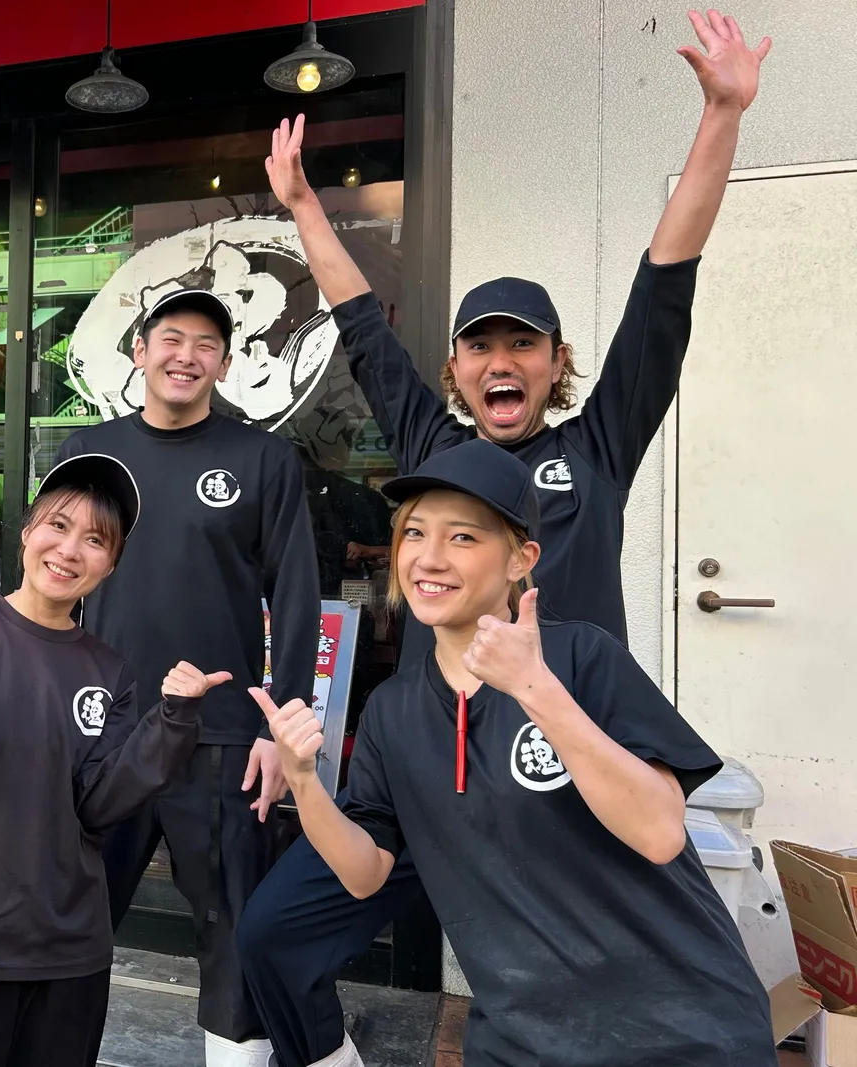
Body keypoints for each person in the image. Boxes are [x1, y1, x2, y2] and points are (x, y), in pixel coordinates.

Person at [239, 11, 771, 1065]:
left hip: (562, 762)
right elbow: (361, 326)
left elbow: (663, 288)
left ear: (554, 362)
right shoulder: (433, 448)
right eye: (477, 346)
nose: (499, 361)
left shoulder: (595, 450)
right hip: (432, 769)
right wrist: (301, 208)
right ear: (455, 370)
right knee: (272, 932)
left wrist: (721, 115)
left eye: (521, 345)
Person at [251, 438, 775, 1067]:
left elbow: (660, 833)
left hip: (676, 1029)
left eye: (463, 537)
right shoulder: (393, 711)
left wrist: (535, 689)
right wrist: (306, 780)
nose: (429, 557)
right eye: (414, 532)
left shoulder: (581, 658)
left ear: (520, 559)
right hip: (520, 1037)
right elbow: (365, 875)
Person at [0, 452, 231, 1067]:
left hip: (70, 950)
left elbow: (100, 805)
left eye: (95, 540)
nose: (70, 550)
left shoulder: (109, 670)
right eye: (58, 526)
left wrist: (173, 721)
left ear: (111, 563)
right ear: (27, 533)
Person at [53, 288, 321, 1067]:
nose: (186, 356)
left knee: (235, 929)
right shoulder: (90, 453)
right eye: (171, 338)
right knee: (67, 917)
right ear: (139, 351)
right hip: (104, 730)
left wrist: (280, 729)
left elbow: (296, 597)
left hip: (225, 738)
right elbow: (50, 583)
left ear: (225, 365)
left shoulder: (263, 459)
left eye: (206, 345)